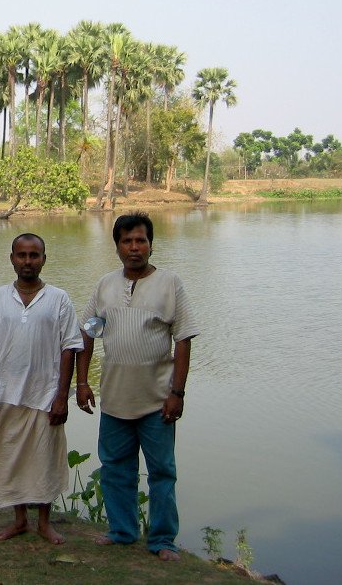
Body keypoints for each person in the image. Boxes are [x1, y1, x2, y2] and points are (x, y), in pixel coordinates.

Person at [75, 212, 199, 561]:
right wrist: (82, 382)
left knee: (162, 473)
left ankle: (162, 540)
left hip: (157, 401)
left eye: (140, 240)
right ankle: (122, 531)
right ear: (117, 247)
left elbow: (183, 340)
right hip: (115, 399)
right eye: (126, 241)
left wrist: (177, 393)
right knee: (115, 469)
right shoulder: (105, 285)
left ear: (151, 245)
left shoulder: (170, 284)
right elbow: (87, 333)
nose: (134, 247)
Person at [0, 233, 84, 544]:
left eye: (34, 255)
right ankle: (20, 520)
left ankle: (44, 523)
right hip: (6, 394)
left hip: (44, 395)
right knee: (11, 458)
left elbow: (70, 348)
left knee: (44, 460)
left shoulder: (59, 299)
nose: (28, 261)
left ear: (43, 259)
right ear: (12, 259)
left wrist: (62, 397)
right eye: (22, 255)